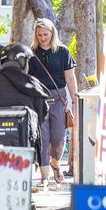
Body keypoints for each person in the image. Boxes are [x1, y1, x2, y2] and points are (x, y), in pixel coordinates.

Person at [28, 18, 77, 189]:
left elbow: (70, 78)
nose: (43, 38)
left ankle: (55, 164)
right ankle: (44, 177)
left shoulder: (63, 51)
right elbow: (27, 78)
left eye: (46, 34)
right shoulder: (31, 53)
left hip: (59, 98)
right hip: (39, 99)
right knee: (42, 138)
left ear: (52, 33)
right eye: (39, 35)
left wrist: (74, 99)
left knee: (58, 138)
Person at [0, 44, 50, 123]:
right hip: (26, 133)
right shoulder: (32, 83)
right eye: (27, 61)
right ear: (22, 61)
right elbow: (42, 114)